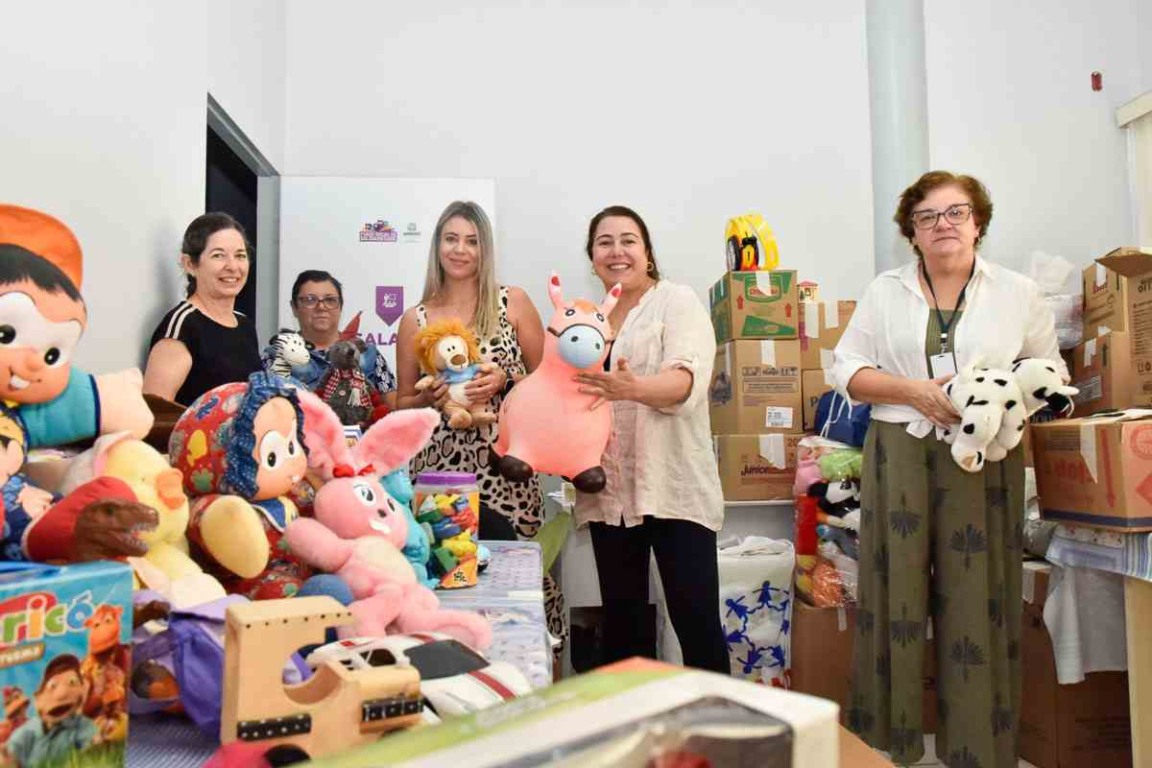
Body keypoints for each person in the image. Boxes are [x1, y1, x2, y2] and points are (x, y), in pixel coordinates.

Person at [832, 171, 1065, 768]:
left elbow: (1049, 369)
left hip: (985, 453)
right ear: (911, 231)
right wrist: (913, 391)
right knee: (894, 590)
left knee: (979, 593)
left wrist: (994, 398)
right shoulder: (885, 291)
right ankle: (888, 745)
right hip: (899, 444)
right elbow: (847, 370)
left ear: (978, 222)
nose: (943, 225)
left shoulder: (1016, 292)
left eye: (955, 213)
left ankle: (979, 749)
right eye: (928, 216)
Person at [394, 201, 567, 647]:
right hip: (439, 480)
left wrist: (506, 377)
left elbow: (551, 382)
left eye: (471, 241)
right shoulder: (414, 319)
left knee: (519, 592)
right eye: (451, 239)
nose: (461, 250)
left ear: (484, 249)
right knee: (447, 588)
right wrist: (430, 399)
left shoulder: (513, 302)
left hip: (507, 473)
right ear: (437, 246)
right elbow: (401, 403)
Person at [571, 205, 729, 673]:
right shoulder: (587, 320)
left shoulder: (675, 301)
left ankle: (719, 733)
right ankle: (636, 731)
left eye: (628, 240)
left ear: (647, 252)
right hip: (610, 492)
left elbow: (687, 380)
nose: (616, 251)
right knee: (623, 625)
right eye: (605, 242)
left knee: (695, 621)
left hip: (673, 486)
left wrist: (633, 389)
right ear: (592, 256)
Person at [144, 213, 261, 406]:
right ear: (190, 265)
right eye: (218, 255)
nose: (232, 266)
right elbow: (154, 416)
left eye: (240, 255)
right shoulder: (182, 328)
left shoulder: (245, 325)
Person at [260, 269, 397, 410]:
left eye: (330, 300)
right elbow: (268, 409)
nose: (321, 307)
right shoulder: (276, 355)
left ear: (341, 307)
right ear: (294, 308)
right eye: (310, 300)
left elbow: (394, 409)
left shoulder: (369, 354)